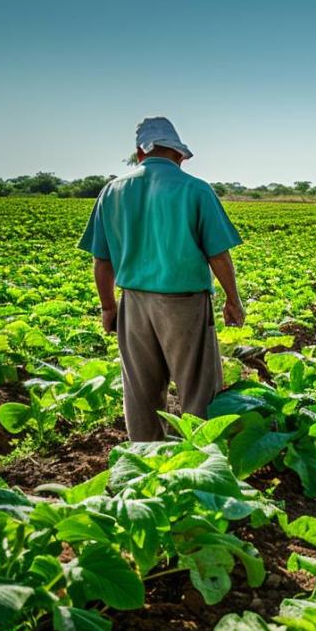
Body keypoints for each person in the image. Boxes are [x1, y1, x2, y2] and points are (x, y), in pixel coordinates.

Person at [78, 116, 246, 442]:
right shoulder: (195, 189)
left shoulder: (112, 191)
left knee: (140, 391)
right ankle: (199, 460)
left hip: (133, 302)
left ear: (140, 153)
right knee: (198, 388)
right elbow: (218, 255)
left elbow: (102, 261)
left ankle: (146, 464)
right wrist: (233, 300)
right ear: (179, 155)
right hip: (183, 304)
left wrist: (109, 308)